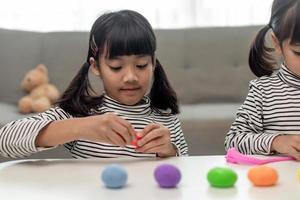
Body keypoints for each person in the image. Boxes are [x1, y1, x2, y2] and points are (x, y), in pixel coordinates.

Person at [0, 10, 188, 159]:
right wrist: (80, 127)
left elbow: (184, 169)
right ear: (96, 66)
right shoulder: (80, 113)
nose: (130, 77)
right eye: (116, 67)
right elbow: (4, 142)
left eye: (141, 65)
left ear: (153, 63)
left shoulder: (167, 119)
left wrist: (170, 151)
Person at [225, 0, 300, 160]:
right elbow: (232, 141)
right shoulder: (263, 91)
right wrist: (276, 142)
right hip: (280, 181)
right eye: (298, 53)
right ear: (277, 43)